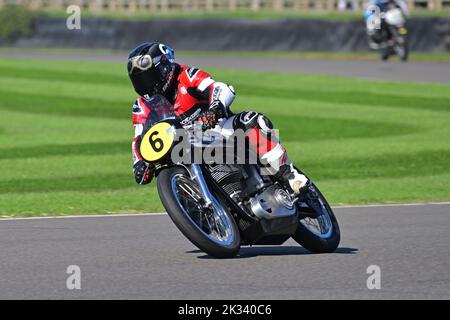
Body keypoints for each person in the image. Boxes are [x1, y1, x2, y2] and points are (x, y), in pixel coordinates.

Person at [127, 42, 308, 194]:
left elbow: (221, 88)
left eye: (150, 77)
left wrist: (215, 108)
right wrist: (139, 164)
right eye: (140, 80)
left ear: (164, 67)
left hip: (219, 131)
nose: (147, 84)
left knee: (252, 120)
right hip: (183, 148)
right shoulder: (142, 106)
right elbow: (139, 138)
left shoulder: (186, 75)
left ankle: (289, 175)